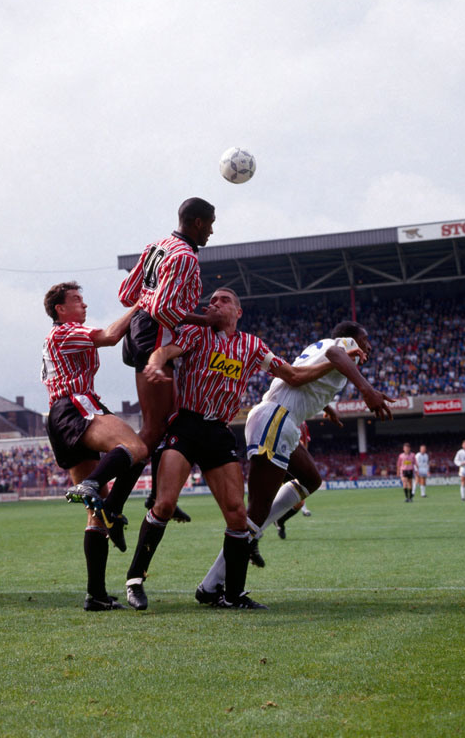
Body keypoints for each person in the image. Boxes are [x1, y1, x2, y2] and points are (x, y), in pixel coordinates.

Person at [123, 288, 339, 611]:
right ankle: (135, 580)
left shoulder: (251, 346)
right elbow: (165, 353)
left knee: (238, 515)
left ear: (238, 311)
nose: (215, 303)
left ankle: (232, 595)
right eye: (212, 300)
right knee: (165, 503)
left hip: (218, 432)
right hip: (187, 424)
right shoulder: (197, 333)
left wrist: (331, 373)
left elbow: (292, 375)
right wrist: (155, 361)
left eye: (223, 300)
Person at [196, 321, 393, 604]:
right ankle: (212, 585)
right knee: (256, 510)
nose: (369, 345)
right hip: (276, 419)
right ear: (351, 338)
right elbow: (337, 355)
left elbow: (313, 374)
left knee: (311, 479)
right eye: (366, 339)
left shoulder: (321, 346)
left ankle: (251, 537)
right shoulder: (343, 347)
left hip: (281, 420)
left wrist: (326, 405)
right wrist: (367, 390)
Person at [41, 282, 148, 611]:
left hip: (59, 417)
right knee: (138, 448)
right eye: (76, 300)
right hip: (76, 405)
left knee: (94, 515)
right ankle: (108, 502)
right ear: (60, 309)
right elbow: (112, 336)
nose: (83, 304)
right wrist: (142, 303)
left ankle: (96, 595)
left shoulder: (63, 335)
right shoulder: (64, 331)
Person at [117, 197, 223, 523]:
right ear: (197, 223)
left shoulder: (157, 246)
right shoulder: (185, 256)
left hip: (139, 330)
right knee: (153, 428)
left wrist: (147, 305)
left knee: (172, 421)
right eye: (211, 224)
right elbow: (164, 309)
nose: (212, 231)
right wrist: (206, 321)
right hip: (156, 334)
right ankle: (111, 502)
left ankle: (159, 495)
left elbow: (126, 294)